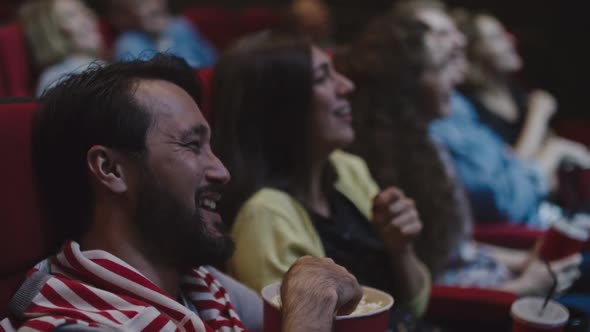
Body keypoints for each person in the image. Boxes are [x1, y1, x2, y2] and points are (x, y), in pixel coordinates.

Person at [0, 54, 363, 332]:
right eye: (192, 145)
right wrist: (307, 315)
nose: (222, 171)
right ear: (110, 170)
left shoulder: (200, 284)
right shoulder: (74, 321)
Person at [338, 11, 582, 295]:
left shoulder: (427, 147)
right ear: (408, 85)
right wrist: (521, 288)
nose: (459, 76)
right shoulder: (386, 167)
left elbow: (457, 250)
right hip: (478, 307)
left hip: (496, 283)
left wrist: (524, 261)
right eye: (443, 65)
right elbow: (418, 292)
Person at [212, 35, 431, 323]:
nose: (347, 86)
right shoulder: (266, 215)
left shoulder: (347, 169)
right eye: (322, 78)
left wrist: (401, 250)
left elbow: (416, 306)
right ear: (281, 106)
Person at [389, 0, 550, 225]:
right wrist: (548, 150)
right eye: (442, 33)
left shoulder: (459, 106)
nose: (459, 40)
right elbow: (508, 203)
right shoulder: (440, 115)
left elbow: (511, 168)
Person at [455, 10, 590, 181]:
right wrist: (539, 116)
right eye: (497, 38)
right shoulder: (469, 109)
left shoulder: (517, 92)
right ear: (474, 52)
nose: (511, 40)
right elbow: (510, 179)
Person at [19, 0, 105, 96]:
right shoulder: (56, 77)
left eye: (84, 10)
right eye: (72, 15)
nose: (89, 16)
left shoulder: (96, 63)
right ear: (50, 32)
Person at [109, 0, 217, 68]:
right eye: (141, 3)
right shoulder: (128, 42)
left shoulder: (181, 25)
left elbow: (211, 60)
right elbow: (144, 80)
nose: (152, 7)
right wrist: (159, 39)